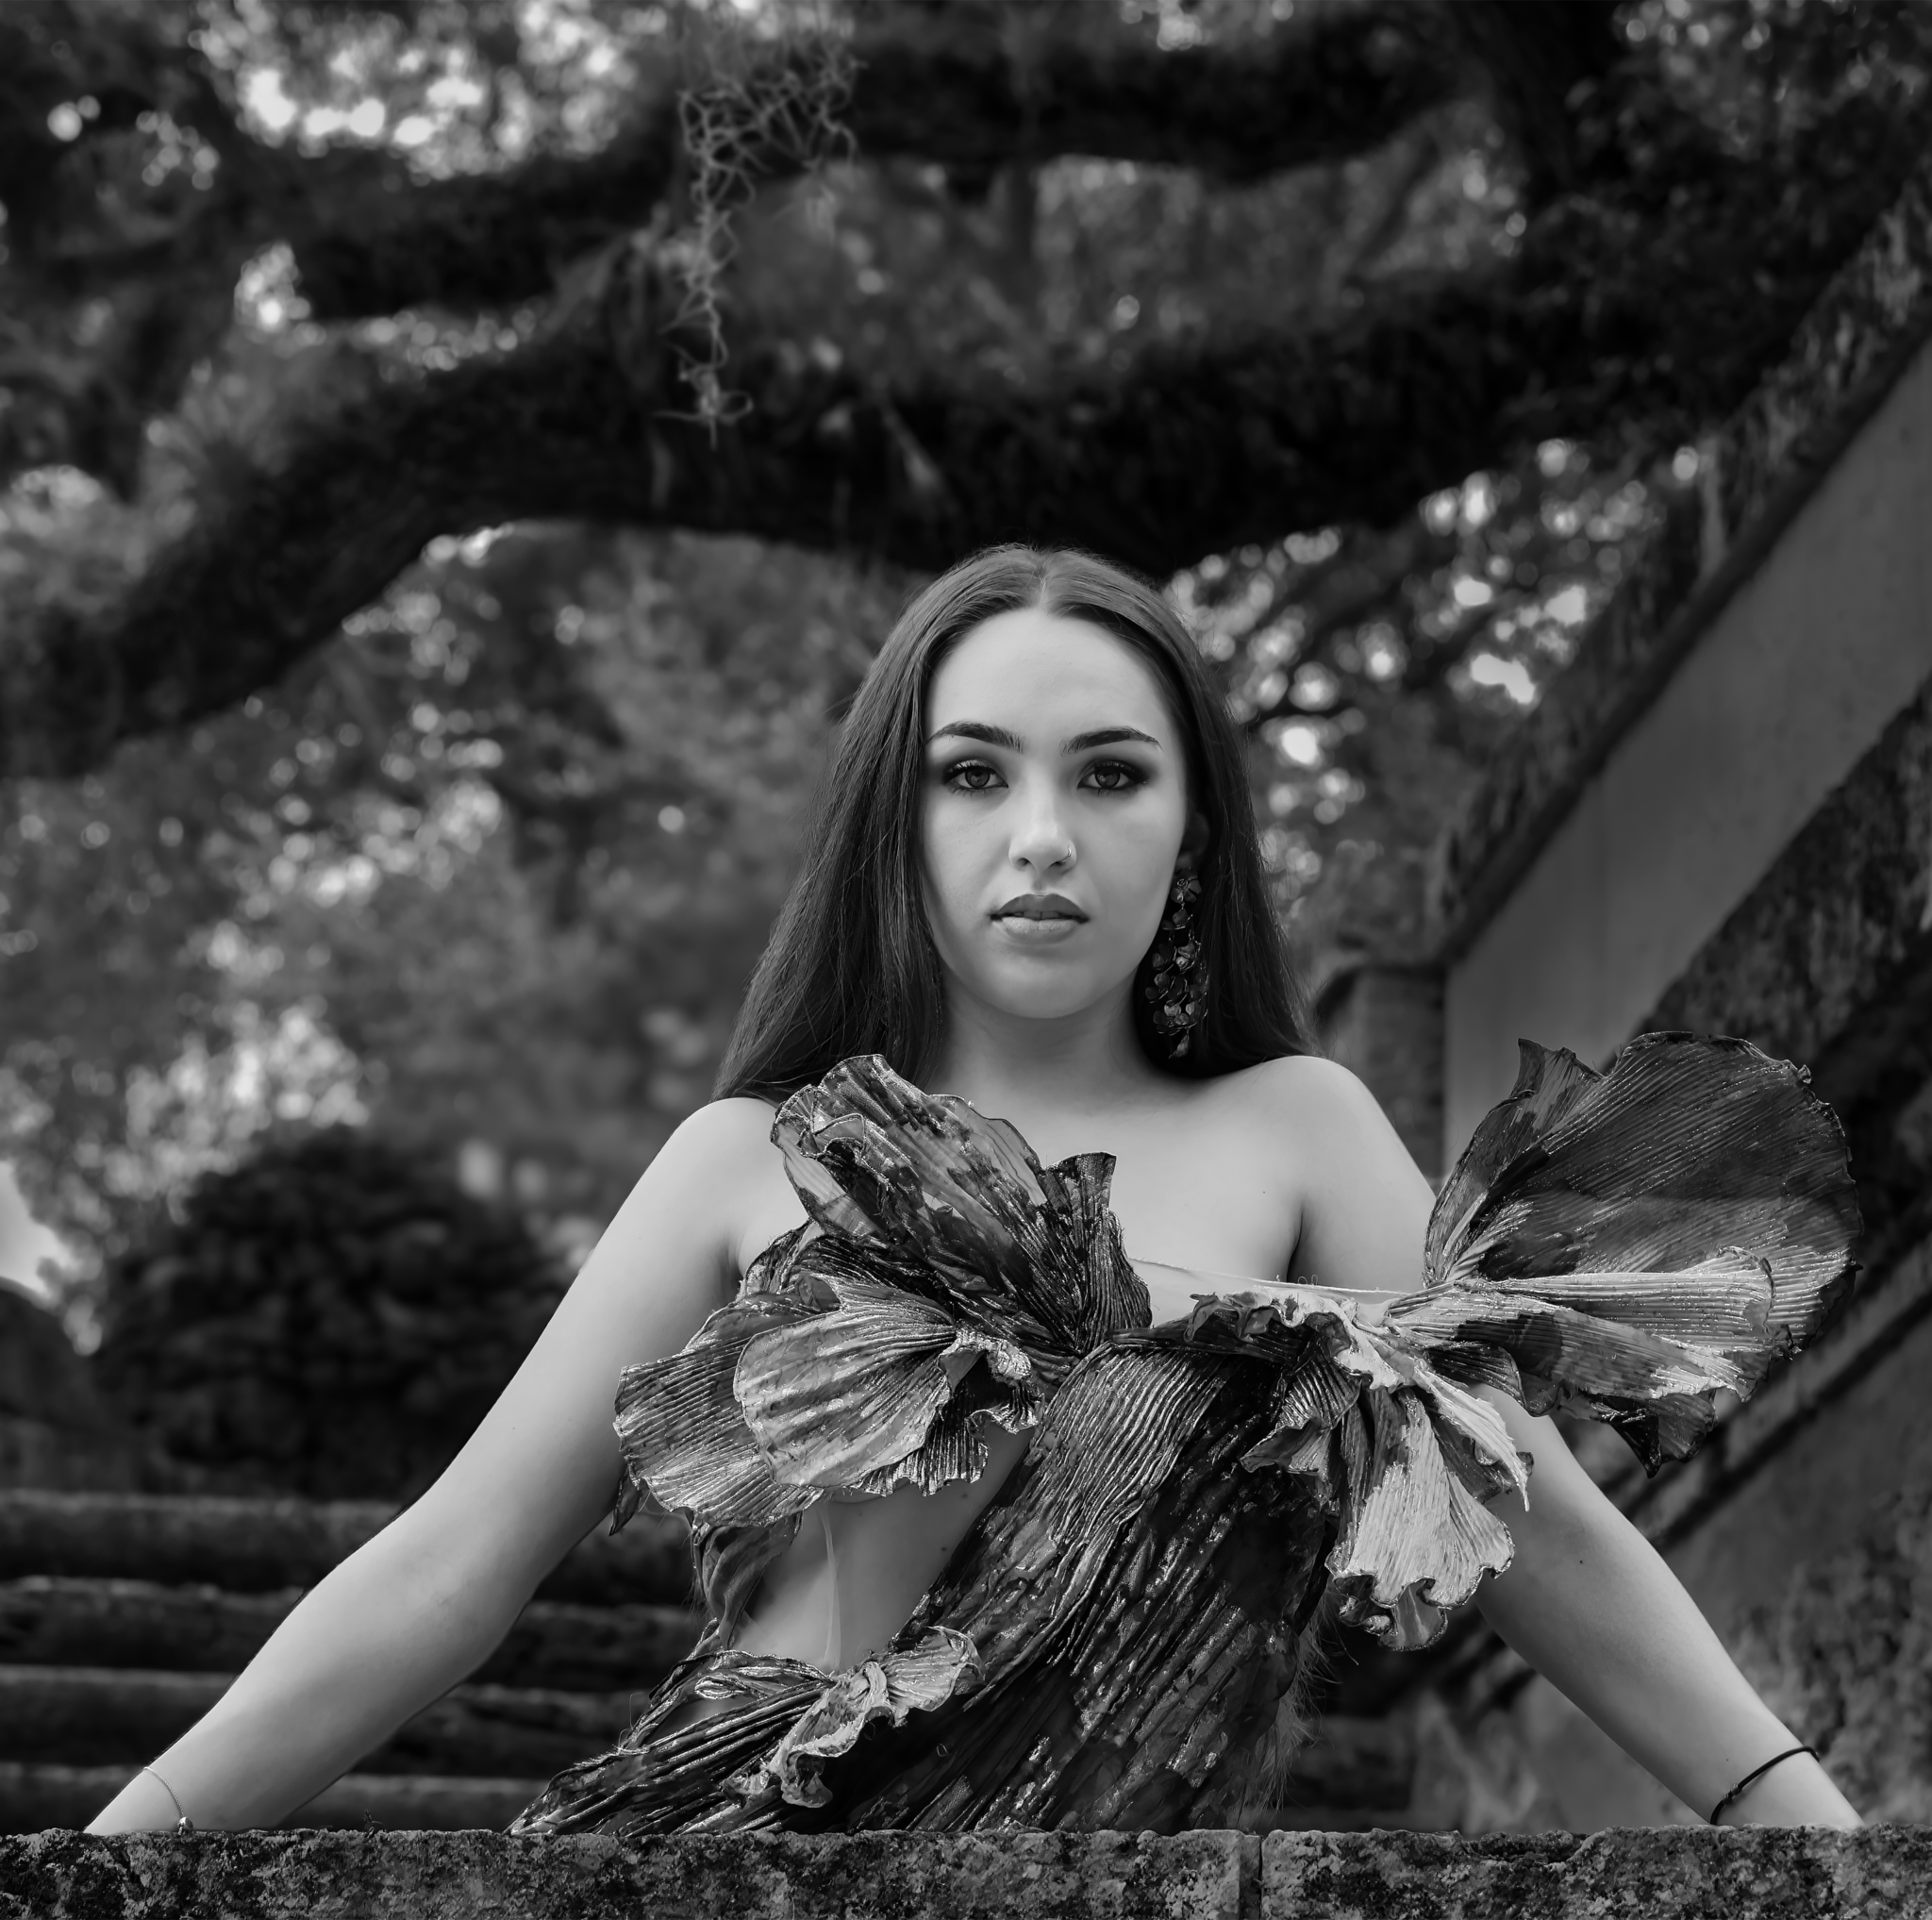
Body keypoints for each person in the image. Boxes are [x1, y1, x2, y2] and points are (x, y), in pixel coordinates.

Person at [91, 545, 1862, 1838]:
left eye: (1108, 774)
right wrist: (110, 1857)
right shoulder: (749, 1159)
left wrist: (1800, 1820)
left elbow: (1531, 1519)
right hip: (739, 1851)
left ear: (1188, 841)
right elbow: (446, 1572)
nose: (1041, 835)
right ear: (900, 821)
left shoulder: (1300, 1133)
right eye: (972, 773)